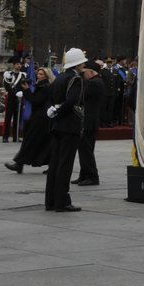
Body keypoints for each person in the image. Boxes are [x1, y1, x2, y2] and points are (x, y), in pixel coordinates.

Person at [44, 48, 92, 213]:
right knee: (65, 165)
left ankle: (50, 201)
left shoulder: (60, 78)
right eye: (82, 62)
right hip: (70, 125)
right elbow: (72, 101)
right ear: (78, 63)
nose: (84, 64)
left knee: (56, 164)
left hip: (57, 126)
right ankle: (62, 201)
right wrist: (60, 111)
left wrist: (55, 111)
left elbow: (53, 98)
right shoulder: (75, 79)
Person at [72, 60, 108, 186]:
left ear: (91, 72)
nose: (83, 75)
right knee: (84, 149)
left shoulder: (94, 83)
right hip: (89, 120)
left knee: (86, 150)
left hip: (88, 120)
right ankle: (84, 174)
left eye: (85, 72)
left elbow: (81, 97)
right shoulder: (95, 82)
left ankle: (92, 176)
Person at [1, 59, 27, 143]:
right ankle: (5, 137)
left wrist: (22, 93)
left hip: (20, 98)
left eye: (20, 64)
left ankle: (16, 136)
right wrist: (15, 93)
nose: (19, 66)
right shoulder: (9, 74)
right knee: (8, 118)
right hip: (11, 98)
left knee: (18, 118)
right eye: (17, 64)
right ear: (14, 65)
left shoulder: (23, 75)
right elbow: (7, 86)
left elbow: (25, 85)